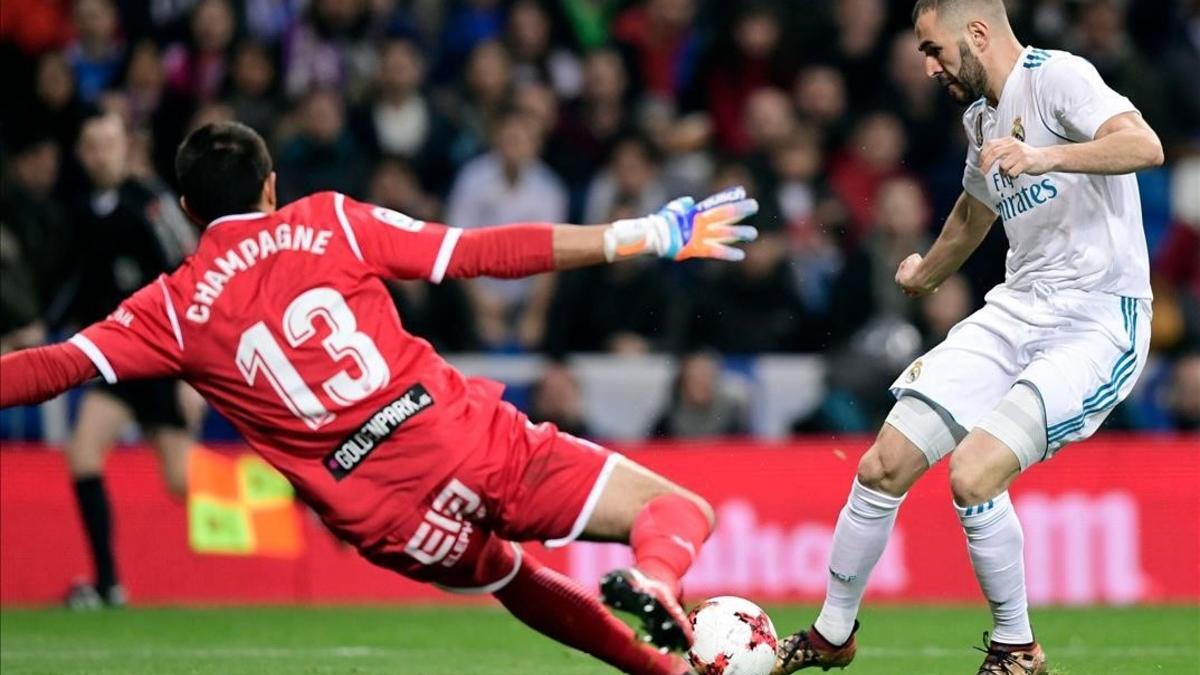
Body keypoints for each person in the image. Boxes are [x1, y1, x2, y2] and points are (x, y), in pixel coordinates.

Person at [0, 121, 759, 675]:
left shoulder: (169, 307)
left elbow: (52, 366)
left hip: (380, 513)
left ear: (190, 211)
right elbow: (479, 254)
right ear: (271, 187)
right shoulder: (328, 220)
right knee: (679, 510)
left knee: (510, 574)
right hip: (456, 435)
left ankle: (665, 673)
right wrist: (638, 235)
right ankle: (657, 580)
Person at [772, 1, 1163, 674]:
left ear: (977, 34)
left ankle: (1018, 648)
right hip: (1016, 311)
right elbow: (975, 207)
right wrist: (928, 271)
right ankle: (832, 632)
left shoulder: (1059, 78)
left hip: (1097, 319)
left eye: (934, 50)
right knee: (882, 463)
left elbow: (1145, 145)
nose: (928, 68)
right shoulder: (981, 117)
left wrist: (1044, 156)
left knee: (974, 472)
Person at [61, 112, 201, 609]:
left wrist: (192, 376)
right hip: (117, 363)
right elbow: (77, 283)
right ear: (82, 153)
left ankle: (303, 501)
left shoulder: (152, 205)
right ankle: (107, 584)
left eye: (110, 144)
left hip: (162, 363)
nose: (101, 154)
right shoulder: (80, 211)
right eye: (92, 145)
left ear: (127, 148)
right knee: (82, 456)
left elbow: (194, 280)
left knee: (186, 484)